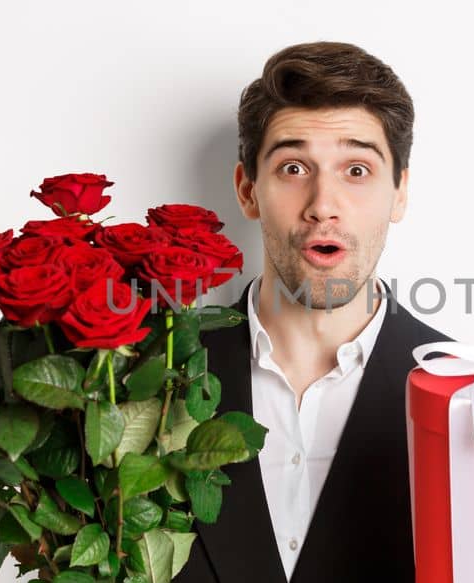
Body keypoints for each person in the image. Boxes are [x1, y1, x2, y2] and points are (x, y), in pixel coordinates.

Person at [175, 41, 455, 583]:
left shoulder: (467, 396)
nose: (323, 203)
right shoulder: (149, 382)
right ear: (248, 190)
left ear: (399, 193)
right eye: (294, 166)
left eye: (356, 169)